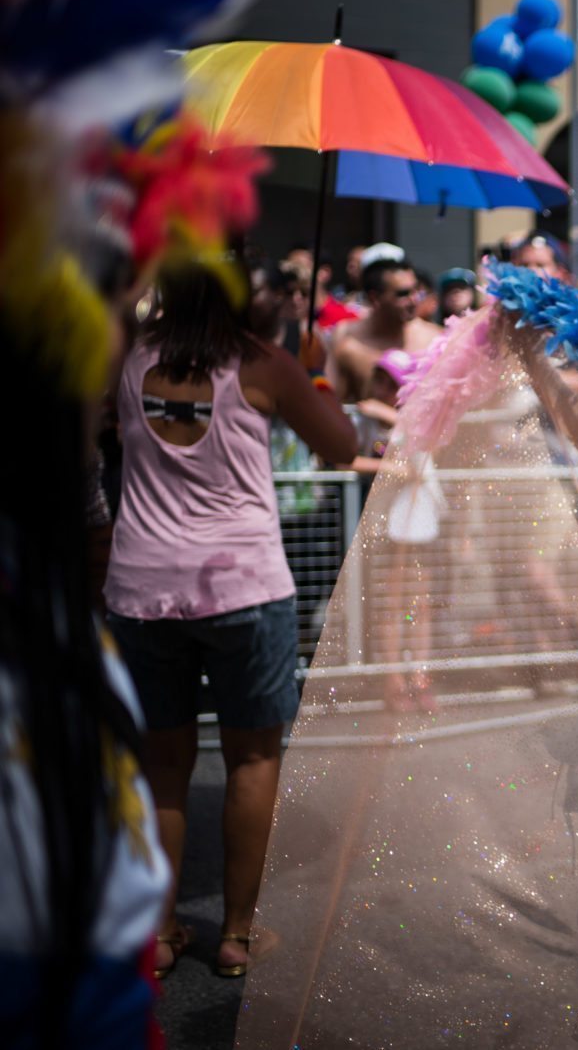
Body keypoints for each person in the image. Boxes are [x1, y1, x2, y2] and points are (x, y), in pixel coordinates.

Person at [104, 263, 356, 981]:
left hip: (142, 587)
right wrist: (314, 380)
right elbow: (339, 444)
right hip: (245, 589)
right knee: (252, 757)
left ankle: (156, 931)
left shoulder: (125, 352)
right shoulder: (261, 361)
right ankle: (239, 934)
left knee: (162, 767)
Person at [329, 258, 442, 402]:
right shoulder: (349, 342)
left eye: (416, 290)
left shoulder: (435, 338)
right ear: (375, 298)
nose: (414, 300)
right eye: (403, 294)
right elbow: (334, 404)